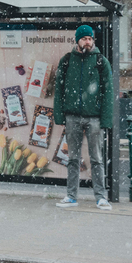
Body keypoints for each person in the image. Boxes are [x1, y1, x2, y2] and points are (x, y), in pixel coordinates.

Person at [53, 25, 114, 210]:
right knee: (72, 158)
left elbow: (108, 92)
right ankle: (71, 196)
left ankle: (101, 197)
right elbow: (59, 89)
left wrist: (106, 120)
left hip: (94, 118)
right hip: (72, 117)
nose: (88, 41)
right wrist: (59, 116)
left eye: (90, 38)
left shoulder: (101, 62)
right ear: (77, 40)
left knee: (96, 158)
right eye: (84, 38)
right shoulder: (67, 60)